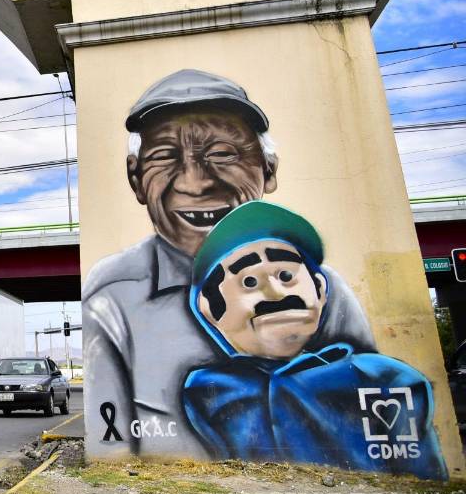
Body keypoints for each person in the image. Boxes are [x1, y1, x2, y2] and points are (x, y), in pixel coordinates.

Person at [83, 69, 376, 459]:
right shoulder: (113, 297)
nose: (195, 183)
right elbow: (110, 454)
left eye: (223, 154)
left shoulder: (319, 288)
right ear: (136, 179)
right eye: (164, 157)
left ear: (268, 169)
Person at [182, 201, 446, 479]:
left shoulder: (381, 378)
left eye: (286, 275)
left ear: (319, 289)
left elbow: (420, 472)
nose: (275, 292)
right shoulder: (206, 390)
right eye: (249, 281)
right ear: (210, 307)